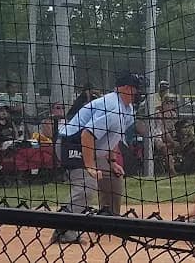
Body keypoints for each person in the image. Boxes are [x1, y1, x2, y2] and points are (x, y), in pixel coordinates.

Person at [50, 71, 143, 245]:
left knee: (112, 176)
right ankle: (63, 231)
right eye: (135, 88)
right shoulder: (113, 108)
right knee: (87, 185)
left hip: (89, 147)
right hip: (72, 143)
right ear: (124, 88)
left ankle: (108, 221)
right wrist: (90, 166)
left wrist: (112, 161)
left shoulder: (128, 109)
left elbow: (113, 137)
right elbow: (87, 134)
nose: (139, 92)